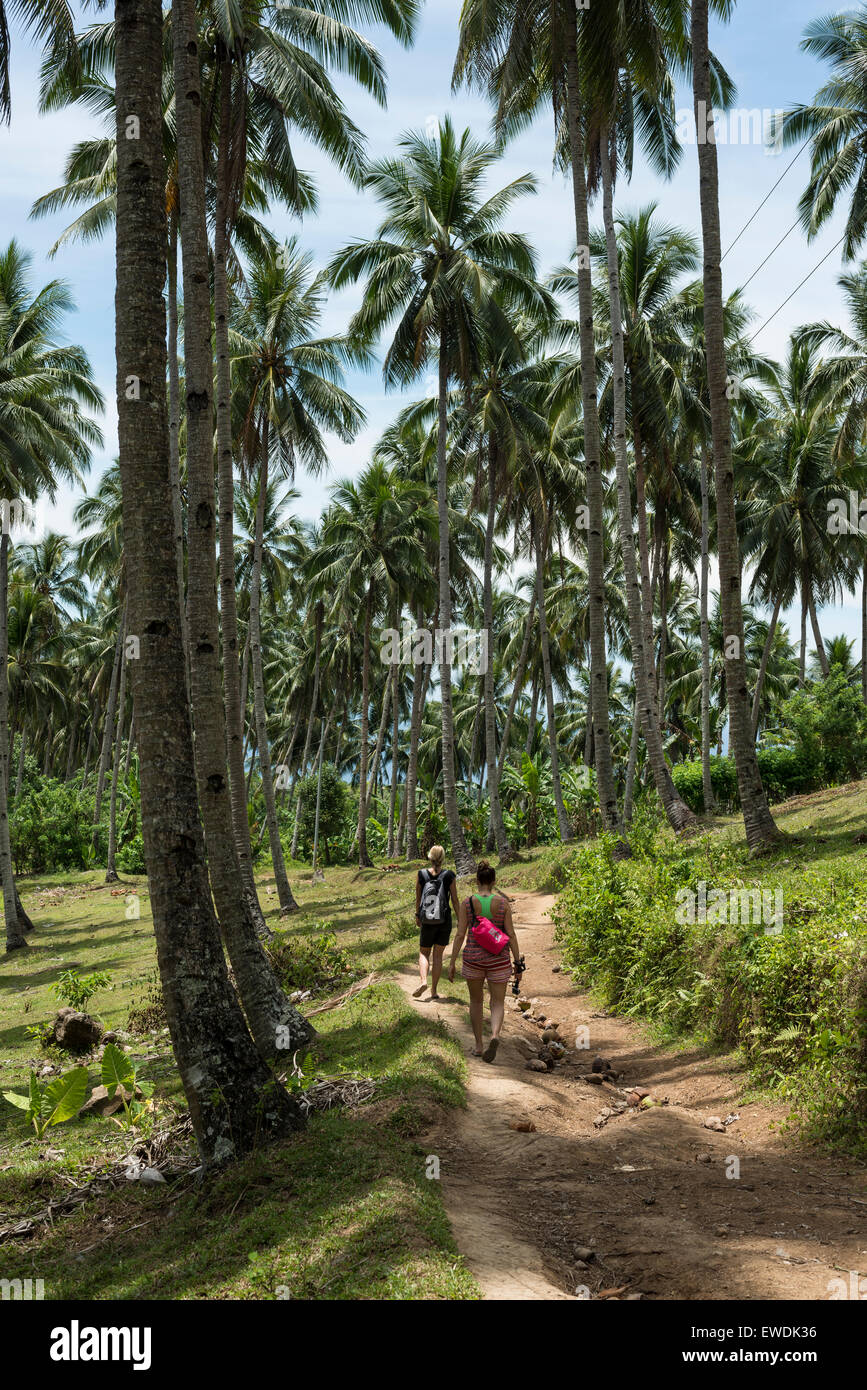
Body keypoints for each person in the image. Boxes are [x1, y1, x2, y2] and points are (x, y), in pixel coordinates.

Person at [449, 861, 522, 1062]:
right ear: (494, 881)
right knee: (497, 1002)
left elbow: (460, 934)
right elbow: (511, 934)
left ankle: (479, 1046)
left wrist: (453, 961)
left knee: (476, 1001)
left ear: (477, 880)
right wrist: (517, 962)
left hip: (473, 959)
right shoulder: (503, 903)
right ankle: (495, 1035)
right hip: (499, 959)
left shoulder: (467, 903)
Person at [414, 845, 459, 1000]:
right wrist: (460, 920)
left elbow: (418, 898)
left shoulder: (421, 874)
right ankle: (433, 991)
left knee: (424, 952)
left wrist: (417, 916)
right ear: (443, 858)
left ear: (430, 857)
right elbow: (454, 900)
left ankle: (423, 981)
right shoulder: (449, 875)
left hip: (427, 920)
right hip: (443, 921)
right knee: (438, 956)